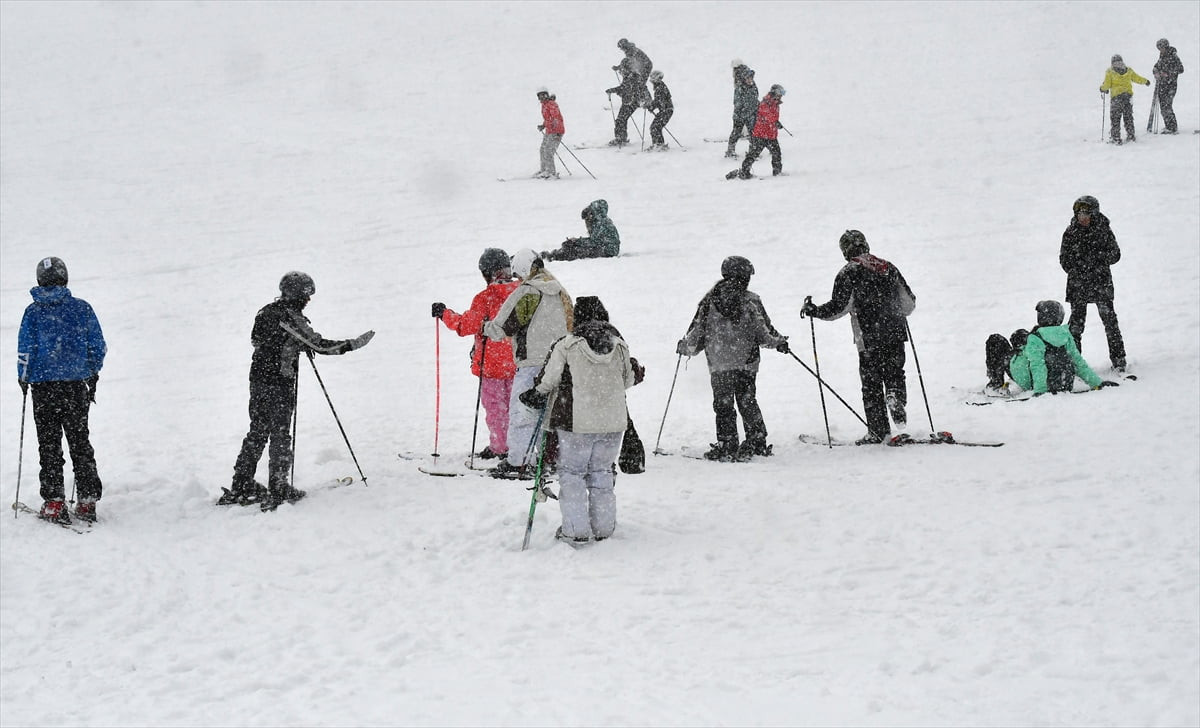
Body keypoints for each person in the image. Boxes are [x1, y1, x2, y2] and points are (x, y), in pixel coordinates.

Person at [220, 272, 375, 510]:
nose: (309, 300)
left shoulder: (265, 312)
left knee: (258, 431)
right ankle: (278, 487)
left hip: (258, 380)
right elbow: (319, 345)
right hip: (278, 383)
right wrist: (351, 345)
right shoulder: (289, 317)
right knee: (280, 434)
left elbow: (257, 340)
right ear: (297, 295)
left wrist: (290, 345)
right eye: (306, 295)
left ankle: (241, 484)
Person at [520, 296, 637, 543]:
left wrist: (534, 394)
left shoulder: (567, 344)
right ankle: (604, 528)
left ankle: (576, 530)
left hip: (576, 421)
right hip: (613, 422)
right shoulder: (619, 345)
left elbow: (548, 381)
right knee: (602, 472)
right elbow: (628, 380)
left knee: (572, 473)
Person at [802, 231, 916, 445]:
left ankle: (877, 431)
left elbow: (838, 307)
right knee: (895, 372)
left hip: (868, 338)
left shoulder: (848, 272)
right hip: (895, 333)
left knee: (871, 386)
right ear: (866, 244)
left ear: (845, 251)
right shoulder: (888, 267)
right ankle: (895, 395)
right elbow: (908, 302)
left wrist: (814, 311)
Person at [17, 257, 106, 525]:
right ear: (65, 278)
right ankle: (87, 500)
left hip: (43, 387)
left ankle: (54, 501)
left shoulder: (32, 313)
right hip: (75, 385)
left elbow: (25, 350)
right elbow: (97, 345)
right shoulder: (81, 309)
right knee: (80, 440)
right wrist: (91, 371)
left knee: (49, 443)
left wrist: (23, 377)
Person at [677, 256, 790, 461]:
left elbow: (697, 334)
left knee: (723, 405)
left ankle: (727, 444)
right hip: (746, 362)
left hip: (719, 364)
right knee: (747, 401)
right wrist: (779, 342)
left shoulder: (709, 301)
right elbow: (764, 333)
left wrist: (685, 347)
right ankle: (756, 440)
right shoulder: (751, 301)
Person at [484, 249, 573, 479]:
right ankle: (549, 458)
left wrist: (485, 327)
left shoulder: (529, 292)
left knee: (522, 411)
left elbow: (504, 325)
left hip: (531, 362)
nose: (517, 279)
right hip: (559, 362)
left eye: (517, 274)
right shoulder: (559, 290)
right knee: (550, 414)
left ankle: (520, 462)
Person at [432, 248, 520, 461]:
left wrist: (445, 314)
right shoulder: (522, 291)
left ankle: (500, 448)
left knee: (496, 409)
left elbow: (465, 326)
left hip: (491, 365)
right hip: (519, 362)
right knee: (517, 408)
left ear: (486, 272)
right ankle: (519, 446)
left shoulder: (486, 297)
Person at [985, 300, 1118, 396]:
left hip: (1027, 379)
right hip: (1063, 382)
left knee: (995, 340)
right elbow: (1078, 362)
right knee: (1020, 334)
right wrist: (1097, 383)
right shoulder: (1066, 335)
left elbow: (1038, 365)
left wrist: (1040, 391)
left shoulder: (1035, 338)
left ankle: (995, 384)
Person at [1059, 195, 1126, 372]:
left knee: (1110, 322)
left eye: (1086, 213)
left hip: (1101, 283)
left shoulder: (1103, 230)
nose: (1082, 217)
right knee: (1076, 326)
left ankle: (1119, 361)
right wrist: (1079, 267)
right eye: (1079, 213)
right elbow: (1064, 260)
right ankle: (1074, 364)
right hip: (1078, 286)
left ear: (1094, 214)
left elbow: (1115, 254)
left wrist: (1096, 260)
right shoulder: (1070, 232)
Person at [728, 84, 785, 179]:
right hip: (760, 135)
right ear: (774, 92)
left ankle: (777, 172)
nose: (781, 95)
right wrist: (775, 122)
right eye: (780, 93)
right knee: (753, 155)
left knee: (777, 154)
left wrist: (776, 122)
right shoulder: (765, 103)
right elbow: (766, 114)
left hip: (771, 135)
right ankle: (744, 172)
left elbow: (772, 117)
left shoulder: (776, 103)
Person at [542, 199, 621, 261]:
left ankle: (555, 256)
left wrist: (577, 241)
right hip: (607, 248)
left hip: (607, 251)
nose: (588, 220)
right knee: (575, 247)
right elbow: (596, 241)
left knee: (577, 250)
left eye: (589, 215)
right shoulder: (601, 221)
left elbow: (594, 242)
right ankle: (556, 254)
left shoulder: (600, 223)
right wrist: (577, 241)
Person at [1100, 54, 1151, 144]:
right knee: (1128, 117)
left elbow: (1107, 85)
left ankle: (1116, 138)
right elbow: (1137, 78)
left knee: (1115, 118)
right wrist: (1145, 81)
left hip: (1116, 98)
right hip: (1127, 97)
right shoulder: (1128, 70)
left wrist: (1102, 88)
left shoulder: (1110, 71)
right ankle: (1131, 135)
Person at [726, 60, 758, 158]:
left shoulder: (753, 86)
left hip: (751, 114)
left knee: (753, 133)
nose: (750, 80)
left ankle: (753, 151)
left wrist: (755, 107)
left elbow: (755, 97)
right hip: (740, 116)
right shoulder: (740, 88)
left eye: (751, 78)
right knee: (736, 132)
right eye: (748, 78)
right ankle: (730, 150)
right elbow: (737, 103)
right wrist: (743, 111)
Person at [1152, 38, 1185, 135]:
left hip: (1171, 85)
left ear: (1165, 46)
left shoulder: (1173, 55)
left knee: (1167, 105)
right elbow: (1156, 66)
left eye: (1161, 47)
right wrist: (1156, 72)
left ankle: (1173, 127)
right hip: (1162, 85)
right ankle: (1168, 126)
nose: (1160, 50)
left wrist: (1168, 74)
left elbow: (1181, 69)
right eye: (1159, 48)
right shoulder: (1162, 56)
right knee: (1163, 106)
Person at [605, 67, 641, 147]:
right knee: (621, 120)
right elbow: (624, 89)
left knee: (621, 120)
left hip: (630, 103)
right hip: (628, 102)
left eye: (621, 71)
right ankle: (621, 138)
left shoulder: (631, 78)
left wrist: (613, 90)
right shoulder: (629, 78)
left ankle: (620, 139)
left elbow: (624, 89)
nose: (620, 73)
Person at [535, 87, 564, 178]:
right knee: (543, 150)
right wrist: (543, 125)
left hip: (556, 132)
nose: (542, 98)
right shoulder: (544, 105)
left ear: (547, 95)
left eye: (544, 95)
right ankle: (544, 170)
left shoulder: (551, 104)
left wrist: (557, 132)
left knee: (548, 151)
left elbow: (556, 118)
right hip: (549, 131)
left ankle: (551, 172)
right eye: (540, 96)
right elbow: (548, 118)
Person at [613, 38, 653, 104]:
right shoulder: (629, 50)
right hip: (641, 66)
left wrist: (619, 68)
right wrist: (618, 67)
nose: (621, 49)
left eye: (621, 47)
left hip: (645, 66)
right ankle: (641, 99)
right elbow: (628, 62)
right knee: (638, 82)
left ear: (624, 46)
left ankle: (647, 100)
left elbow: (631, 62)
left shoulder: (631, 50)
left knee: (640, 83)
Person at [646, 70, 673, 151]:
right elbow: (658, 101)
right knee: (656, 127)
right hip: (665, 110)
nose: (651, 81)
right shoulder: (659, 86)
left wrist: (651, 106)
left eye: (652, 79)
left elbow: (659, 101)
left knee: (655, 127)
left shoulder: (660, 88)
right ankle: (658, 144)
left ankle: (658, 145)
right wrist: (651, 106)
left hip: (666, 111)